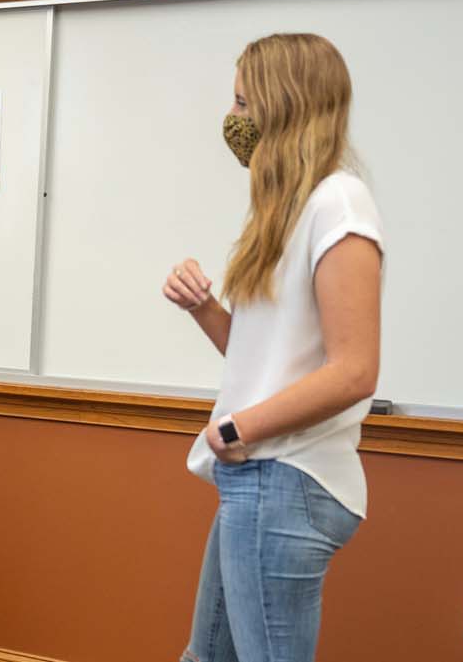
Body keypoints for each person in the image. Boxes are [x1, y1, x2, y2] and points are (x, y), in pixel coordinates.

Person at [165, 33, 382, 662]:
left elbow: (354, 371)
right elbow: (266, 364)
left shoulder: (338, 202)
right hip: (262, 473)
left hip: (286, 474)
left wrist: (234, 431)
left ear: (282, 106)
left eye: (241, 103)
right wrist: (204, 307)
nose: (231, 121)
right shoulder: (287, 210)